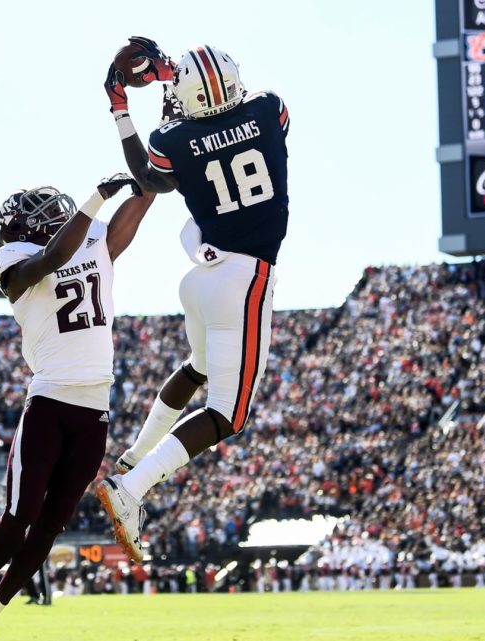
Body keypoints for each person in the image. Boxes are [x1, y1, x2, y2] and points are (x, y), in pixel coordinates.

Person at [96, 38, 290, 563]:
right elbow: (229, 120)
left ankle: (136, 452)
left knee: (198, 367)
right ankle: (132, 487)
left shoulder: (172, 138)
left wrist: (121, 110)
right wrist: (175, 81)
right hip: (246, 275)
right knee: (229, 415)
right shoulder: (269, 108)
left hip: (201, 279)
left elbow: (151, 176)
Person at [0, 174, 154, 641]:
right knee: (22, 513)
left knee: (51, 525)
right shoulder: (13, 260)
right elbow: (54, 257)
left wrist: (153, 178)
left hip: (95, 407)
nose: (51, 211)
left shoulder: (90, 242)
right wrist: (96, 198)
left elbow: (126, 224)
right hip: (50, 401)